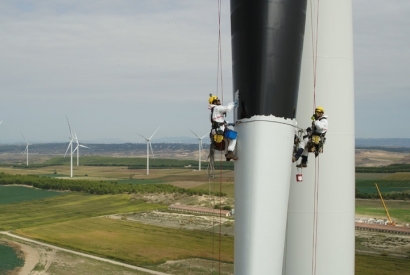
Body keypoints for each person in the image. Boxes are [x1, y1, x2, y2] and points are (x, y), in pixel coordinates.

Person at [208, 94, 238, 161]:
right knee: (234, 137)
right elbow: (227, 108)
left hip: (215, 131)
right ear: (214, 102)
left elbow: (217, 121)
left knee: (226, 141)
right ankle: (230, 153)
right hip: (220, 130)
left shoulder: (212, 112)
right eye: (218, 100)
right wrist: (234, 103)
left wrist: (228, 123)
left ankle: (227, 155)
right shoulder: (217, 108)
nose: (219, 101)